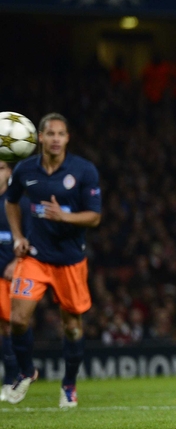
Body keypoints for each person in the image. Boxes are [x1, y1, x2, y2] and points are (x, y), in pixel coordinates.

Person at [4, 113, 102, 407]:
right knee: (17, 319)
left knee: (72, 327)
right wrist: (19, 236)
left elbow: (95, 217)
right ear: (40, 138)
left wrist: (65, 217)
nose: (56, 138)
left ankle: (69, 384)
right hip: (35, 256)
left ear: (67, 138)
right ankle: (25, 371)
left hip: (70, 259)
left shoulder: (83, 171)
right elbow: (10, 203)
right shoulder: (24, 170)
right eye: (51, 133)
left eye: (61, 133)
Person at [0, 161, 30, 402]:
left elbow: (31, 237)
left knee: (9, 326)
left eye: (0, 168)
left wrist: (15, 262)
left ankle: (13, 377)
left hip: (12, 273)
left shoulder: (18, 204)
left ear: (10, 173)